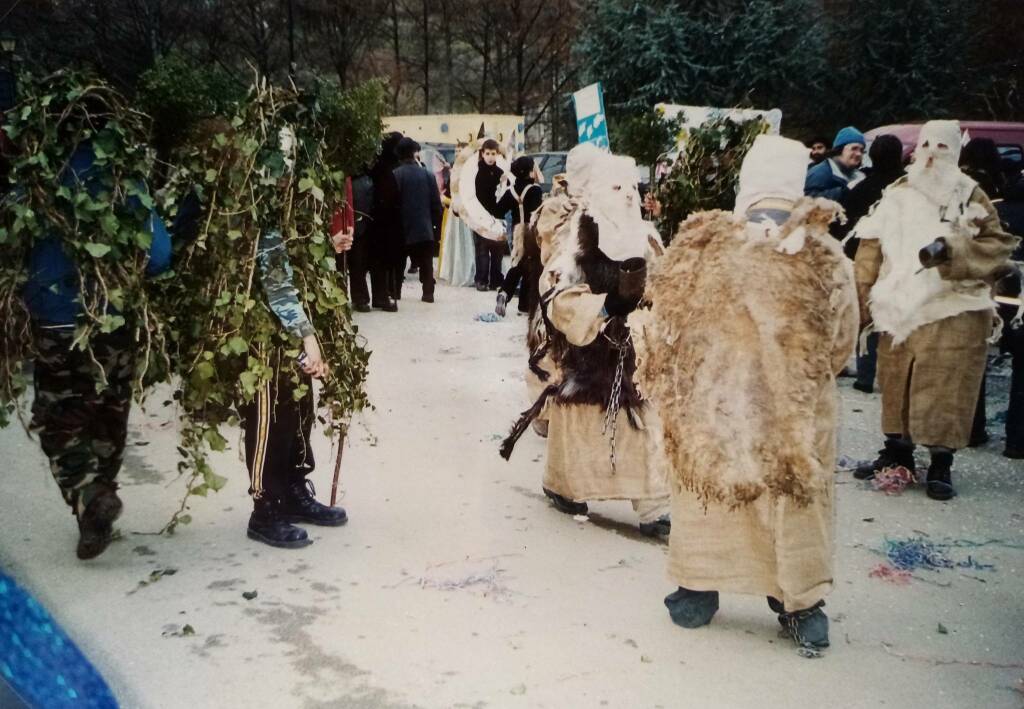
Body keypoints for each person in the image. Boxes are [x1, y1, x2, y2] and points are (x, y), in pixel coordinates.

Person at [637, 134, 859, 654]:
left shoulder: (706, 244)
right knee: (792, 495)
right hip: (795, 412)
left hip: (715, 403)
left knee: (709, 488)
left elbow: (670, 324)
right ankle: (798, 604)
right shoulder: (827, 254)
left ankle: (698, 588)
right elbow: (842, 340)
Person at [499, 144, 671, 536]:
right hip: (588, 349)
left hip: (637, 351)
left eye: (631, 186)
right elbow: (555, 291)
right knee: (581, 425)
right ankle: (565, 486)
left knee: (644, 425)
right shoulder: (576, 240)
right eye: (615, 188)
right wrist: (605, 306)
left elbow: (666, 286)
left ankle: (654, 505)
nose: (627, 195)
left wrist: (650, 305)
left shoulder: (646, 238)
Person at [852, 120, 1019, 500]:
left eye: (941, 146)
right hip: (900, 306)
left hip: (952, 308)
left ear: (955, 151)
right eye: (925, 144)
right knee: (897, 383)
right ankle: (897, 453)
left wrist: (954, 251)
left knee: (946, 387)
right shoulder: (898, 192)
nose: (931, 152)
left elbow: (996, 246)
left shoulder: (970, 195)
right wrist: (863, 292)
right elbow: (871, 242)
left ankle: (941, 461)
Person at [24, 140, 171, 560]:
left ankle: (89, 501)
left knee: (59, 420)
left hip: (55, 321)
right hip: (114, 321)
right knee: (109, 414)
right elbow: (159, 254)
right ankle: (97, 503)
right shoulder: (124, 179)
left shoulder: (34, 175)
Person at [833, 134, 906, 393]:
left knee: (865, 313)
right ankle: (892, 373)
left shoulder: (862, 188)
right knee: (894, 314)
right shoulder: (905, 188)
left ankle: (865, 373)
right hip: (898, 258)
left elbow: (841, 222)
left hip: (861, 258)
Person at [393, 137, 443, 303]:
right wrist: (435, 226)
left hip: (401, 227)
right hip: (424, 227)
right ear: (415, 153)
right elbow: (436, 204)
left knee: (398, 262)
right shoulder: (428, 175)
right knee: (426, 263)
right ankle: (428, 293)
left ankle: (395, 292)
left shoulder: (396, 175)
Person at [494, 156, 544, 316]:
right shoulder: (535, 190)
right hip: (532, 231)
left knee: (519, 262)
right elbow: (538, 212)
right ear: (529, 172)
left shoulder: (511, 191)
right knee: (531, 265)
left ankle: (511, 297)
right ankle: (517, 300)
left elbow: (498, 211)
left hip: (517, 231)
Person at [347, 170, 396, 313]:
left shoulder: (359, 178)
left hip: (366, 226)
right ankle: (375, 298)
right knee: (367, 263)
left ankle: (362, 299)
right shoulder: (380, 175)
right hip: (371, 226)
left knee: (360, 263)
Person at [368, 132, 406, 303]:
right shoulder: (391, 168)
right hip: (389, 222)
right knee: (388, 260)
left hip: (378, 221)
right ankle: (386, 294)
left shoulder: (379, 166)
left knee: (380, 260)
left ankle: (382, 294)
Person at [473, 138, 506, 291]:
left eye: (493, 154)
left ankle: (496, 280)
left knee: (497, 250)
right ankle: (481, 279)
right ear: (482, 154)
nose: (491, 157)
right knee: (482, 250)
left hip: (497, 217)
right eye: (488, 153)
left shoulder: (500, 173)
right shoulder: (476, 171)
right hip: (480, 216)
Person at [805, 126, 866, 201]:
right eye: (854, 148)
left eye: (862, 150)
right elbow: (808, 199)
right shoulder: (820, 172)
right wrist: (843, 191)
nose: (859, 154)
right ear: (839, 150)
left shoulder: (857, 174)